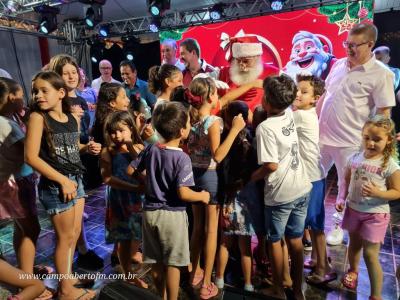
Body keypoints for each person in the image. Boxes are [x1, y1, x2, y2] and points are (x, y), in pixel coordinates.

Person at [316, 23, 396, 246]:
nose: (348, 49)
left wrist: (375, 150)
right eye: (346, 44)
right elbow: (325, 95)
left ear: (370, 44)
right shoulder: (338, 65)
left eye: (354, 45)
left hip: (350, 141)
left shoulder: (382, 74)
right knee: (313, 179)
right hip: (322, 137)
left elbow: (384, 113)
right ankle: (312, 222)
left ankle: (338, 226)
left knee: (346, 188)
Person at [25, 71, 100, 300]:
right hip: (58, 186)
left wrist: (86, 148)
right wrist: (62, 180)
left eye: (44, 90)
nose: (38, 95)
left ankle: (66, 280)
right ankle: (66, 291)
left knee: (74, 235)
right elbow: (31, 157)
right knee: (65, 239)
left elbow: (69, 148)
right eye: (35, 91)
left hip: (75, 181)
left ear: (60, 93)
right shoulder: (38, 118)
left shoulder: (70, 118)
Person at [127, 102, 210, 300]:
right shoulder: (182, 159)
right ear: (182, 131)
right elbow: (184, 193)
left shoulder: (151, 149)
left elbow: (130, 170)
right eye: (189, 123)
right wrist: (203, 196)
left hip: (149, 213)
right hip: (172, 216)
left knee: (156, 261)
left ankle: (162, 295)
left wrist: (149, 181)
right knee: (173, 264)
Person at [183, 77, 245, 299]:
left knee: (197, 228)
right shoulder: (213, 122)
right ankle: (207, 282)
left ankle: (193, 273)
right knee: (211, 232)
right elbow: (218, 155)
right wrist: (236, 129)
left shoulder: (191, 121)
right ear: (210, 96)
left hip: (194, 176)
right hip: (209, 178)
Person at [251, 74, 312, 300]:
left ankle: (278, 289)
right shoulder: (289, 114)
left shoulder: (265, 127)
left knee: (274, 240)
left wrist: (251, 177)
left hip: (281, 194)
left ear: (267, 99)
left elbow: (270, 165)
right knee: (295, 240)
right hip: (302, 187)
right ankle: (297, 289)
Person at [0, 77, 54, 299]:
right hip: (15, 185)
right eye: (23, 94)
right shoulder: (3, 123)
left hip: (19, 181)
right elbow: (27, 151)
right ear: (12, 97)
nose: (26, 99)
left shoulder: (9, 118)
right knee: (31, 229)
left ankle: (24, 272)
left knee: (23, 228)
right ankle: (25, 283)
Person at [49, 54, 104, 270]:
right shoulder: (56, 102)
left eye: (74, 71)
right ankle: (67, 277)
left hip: (78, 161)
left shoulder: (81, 98)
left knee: (77, 218)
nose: (71, 76)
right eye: (65, 73)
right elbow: (60, 142)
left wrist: (90, 144)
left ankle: (83, 250)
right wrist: (76, 120)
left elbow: (79, 137)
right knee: (66, 230)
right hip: (63, 167)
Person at [335, 116, 400, 300]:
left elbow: (397, 191)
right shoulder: (354, 157)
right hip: (354, 209)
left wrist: (379, 193)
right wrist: (341, 197)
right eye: (366, 138)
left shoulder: (389, 165)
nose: (370, 143)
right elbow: (346, 180)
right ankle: (353, 272)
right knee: (354, 245)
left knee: (371, 255)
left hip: (375, 215)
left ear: (389, 140)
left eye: (377, 139)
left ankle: (376, 295)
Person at [292, 74, 336, 284]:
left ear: (315, 98)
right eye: (297, 90)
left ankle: (323, 268)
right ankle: (318, 259)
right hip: (314, 176)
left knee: (316, 226)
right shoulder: (305, 113)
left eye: (304, 91)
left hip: (311, 178)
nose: (298, 94)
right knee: (315, 224)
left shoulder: (300, 116)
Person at [215, 101, 262, 292]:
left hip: (229, 198)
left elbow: (222, 170)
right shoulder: (251, 139)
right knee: (245, 247)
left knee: (225, 244)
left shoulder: (225, 138)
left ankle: (218, 278)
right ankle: (249, 284)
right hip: (247, 199)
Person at [100, 110, 148, 288]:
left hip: (138, 200)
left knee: (137, 235)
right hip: (120, 199)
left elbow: (144, 170)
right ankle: (128, 275)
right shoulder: (108, 152)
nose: (117, 135)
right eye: (113, 131)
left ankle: (131, 263)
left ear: (131, 129)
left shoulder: (138, 147)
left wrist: (131, 149)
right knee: (122, 239)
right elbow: (107, 179)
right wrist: (133, 187)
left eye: (121, 130)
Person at [218, 35, 279, 112]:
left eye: (246, 61)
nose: (241, 65)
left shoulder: (274, 73)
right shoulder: (224, 72)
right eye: (238, 60)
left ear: (257, 57)